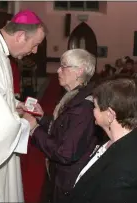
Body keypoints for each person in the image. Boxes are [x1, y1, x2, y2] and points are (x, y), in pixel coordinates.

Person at [0, 10, 46, 202]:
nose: (35, 51)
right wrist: (25, 124)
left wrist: (16, 105)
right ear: (21, 36)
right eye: (35, 44)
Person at [23, 49, 99, 203]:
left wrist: (35, 129)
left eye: (64, 66)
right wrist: (42, 118)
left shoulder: (82, 108)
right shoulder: (76, 95)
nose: (58, 70)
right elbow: (64, 129)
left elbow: (65, 152)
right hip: (62, 176)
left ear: (79, 71)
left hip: (69, 182)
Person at [60, 77, 137, 203]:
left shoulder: (122, 168)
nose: (92, 111)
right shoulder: (114, 140)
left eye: (95, 106)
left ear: (110, 115)